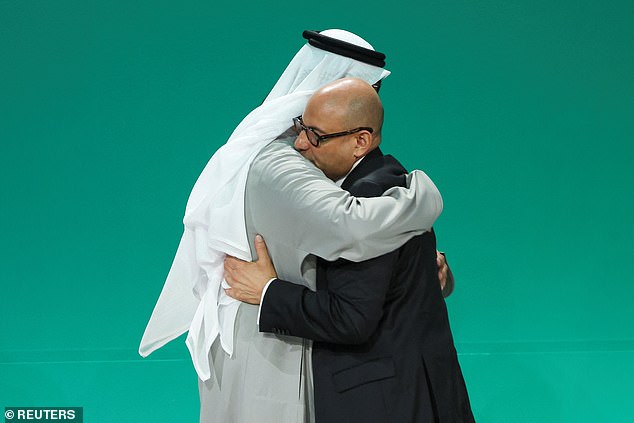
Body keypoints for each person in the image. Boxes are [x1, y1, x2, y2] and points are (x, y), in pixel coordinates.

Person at [140, 29, 446, 423]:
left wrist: (417, 264)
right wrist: (423, 196)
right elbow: (350, 225)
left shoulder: (289, 151)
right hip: (266, 347)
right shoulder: (281, 162)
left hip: (277, 334)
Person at [224, 78, 475, 422]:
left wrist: (268, 292)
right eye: (301, 127)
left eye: (316, 135)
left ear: (360, 141)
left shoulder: (365, 198)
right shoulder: (389, 177)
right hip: (418, 390)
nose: (300, 143)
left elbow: (352, 319)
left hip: (386, 402)